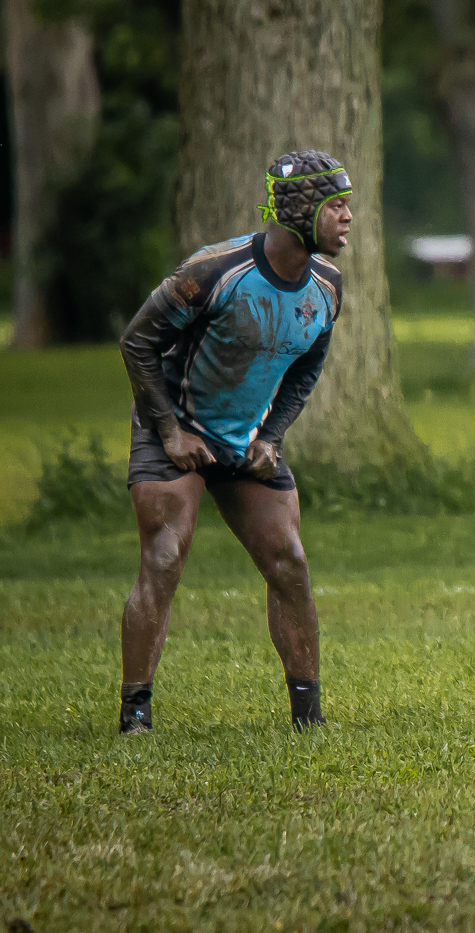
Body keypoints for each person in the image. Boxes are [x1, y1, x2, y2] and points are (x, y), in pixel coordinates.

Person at [115, 150, 354, 734]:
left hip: (245, 442)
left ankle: (308, 717)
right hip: (172, 426)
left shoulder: (327, 288)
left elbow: (306, 370)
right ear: (301, 210)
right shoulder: (213, 272)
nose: (349, 217)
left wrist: (271, 436)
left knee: (289, 562)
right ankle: (136, 714)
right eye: (338, 205)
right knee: (165, 558)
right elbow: (136, 343)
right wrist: (170, 432)